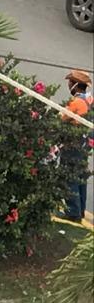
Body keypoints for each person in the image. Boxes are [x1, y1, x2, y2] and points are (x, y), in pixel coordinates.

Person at [61, 69, 91, 221]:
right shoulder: (90, 100)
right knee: (80, 177)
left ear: (75, 85)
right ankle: (80, 210)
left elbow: (62, 119)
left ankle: (73, 212)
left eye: (70, 83)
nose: (68, 85)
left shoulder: (76, 103)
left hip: (73, 145)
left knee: (69, 176)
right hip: (85, 145)